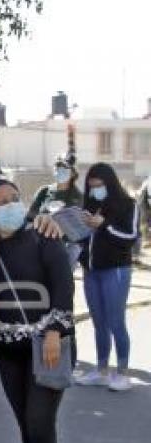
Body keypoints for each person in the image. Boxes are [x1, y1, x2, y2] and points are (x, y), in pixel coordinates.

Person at [0, 179, 74, 443]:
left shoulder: (44, 235)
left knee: (39, 421)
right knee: (26, 422)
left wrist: (54, 330)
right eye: (2, 202)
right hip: (7, 349)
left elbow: (63, 287)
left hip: (47, 344)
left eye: (15, 198)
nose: (11, 206)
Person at [74, 163, 138, 391]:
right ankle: (101, 370)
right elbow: (83, 240)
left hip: (116, 270)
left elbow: (130, 237)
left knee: (115, 321)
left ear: (110, 183)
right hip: (91, 271)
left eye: (99, 186)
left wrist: (105, 226)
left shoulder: (127, 204)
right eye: (91, 187)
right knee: (99, 322)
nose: (95, 190)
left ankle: (122, 373)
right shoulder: (89, 205)